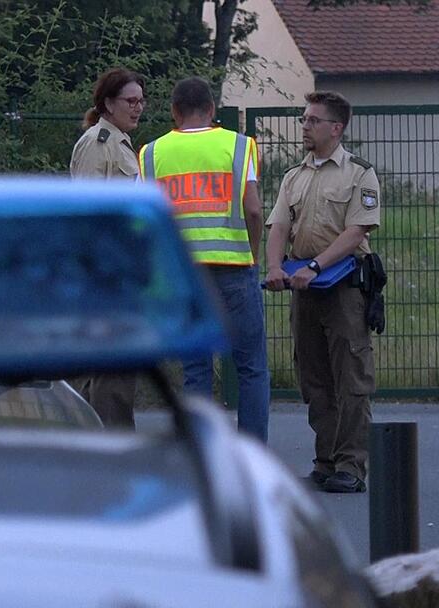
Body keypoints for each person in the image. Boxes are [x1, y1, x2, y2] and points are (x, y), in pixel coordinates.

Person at [138, 77, 270, 442]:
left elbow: (145, 221)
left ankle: (200, 451)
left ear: (174, 111)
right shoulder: (240, 146)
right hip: (234, 270)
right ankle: (252, 453)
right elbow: (254, 210)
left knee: (195, 370)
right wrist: (252, 256)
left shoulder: (151, 153)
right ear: (212, 110)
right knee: (251, 369)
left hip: (184, 277)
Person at [264, 91, 381, 493]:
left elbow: (356, 231)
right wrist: (276, 267)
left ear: (337, 127)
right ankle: (325, 459)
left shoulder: (359, 174)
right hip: (303, 286)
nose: (305, 126)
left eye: (313, 120)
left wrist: (316, 267)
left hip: (342, 285)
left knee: (350, 377)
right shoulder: (294, 176)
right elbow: (279, 226)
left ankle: (351, 465)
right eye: (304, 119)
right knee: (313, 377)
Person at [68, 67, 146, 429]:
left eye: (141, 100)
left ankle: (102, 445)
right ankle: (114, 448)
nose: (138, 107)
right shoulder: (98, 143)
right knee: (113, 369)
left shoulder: (117, 142)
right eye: (131, 101)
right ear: (107, 103)